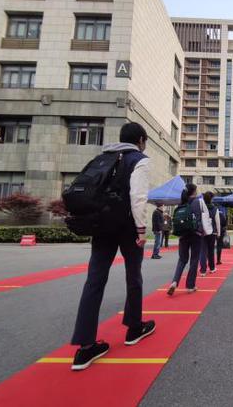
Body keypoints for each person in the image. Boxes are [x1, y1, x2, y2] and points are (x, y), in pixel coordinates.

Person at [70, 122, 155, 371]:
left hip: (101, 225)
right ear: (140, 139)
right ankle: (134, 328)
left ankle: (85, 347)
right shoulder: (139, 159)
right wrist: (141, 230)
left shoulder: (104, 157)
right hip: (127, 226)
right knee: (133, 276)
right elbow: (138, 198)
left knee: (94, 281)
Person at [167, 183, 209, 296]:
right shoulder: (199, 202)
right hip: (196, 234)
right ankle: (190, 286)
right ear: (194, 192)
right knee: (194, 259)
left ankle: (175, 281)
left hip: (183, 234)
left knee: (182, 259)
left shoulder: (181, 203)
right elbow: (205, 217)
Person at [199, 192, 220, 276]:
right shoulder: (215, 209)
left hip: (202, 231)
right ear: (211, 199)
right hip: (212, 232)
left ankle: (203, 270)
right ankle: (212, 268)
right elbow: (217, 222)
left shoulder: (201, 208)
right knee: (211, 251)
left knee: (203, 251)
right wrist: (218, 232)